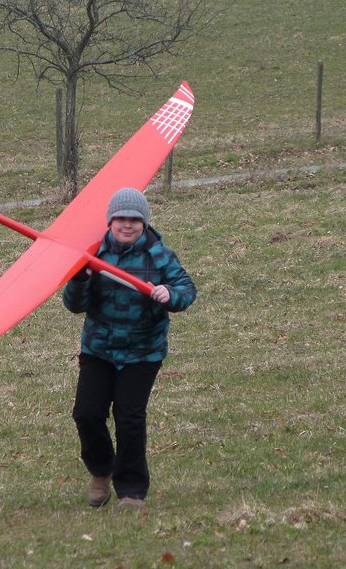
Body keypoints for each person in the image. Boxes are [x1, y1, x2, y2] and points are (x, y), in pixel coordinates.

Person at [63, 187, 197, 510]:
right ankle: (100, 470)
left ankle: (132, 491)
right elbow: (74, 305)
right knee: (87, 413)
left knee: (129, 418)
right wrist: (80, 278)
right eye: (121, 218)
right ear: (110, 222)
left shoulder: (159, 255)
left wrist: (169, 294)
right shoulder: (94, 253)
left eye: (134, 219)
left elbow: (187, 290)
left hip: (142, 352)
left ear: (144, 223)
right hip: (99, 350)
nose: (127, 225)